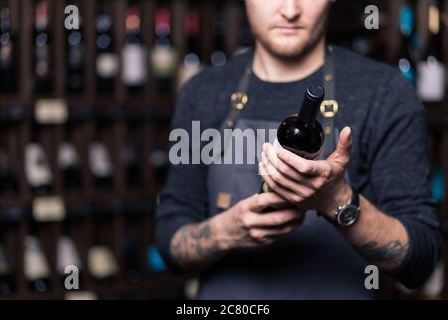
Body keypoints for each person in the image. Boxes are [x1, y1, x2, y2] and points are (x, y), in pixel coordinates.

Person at [154, 0, 441, 299]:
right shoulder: (201, 93)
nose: (290, 10)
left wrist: (338, 201)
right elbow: (169, 241)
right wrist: (227, 231)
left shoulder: (386, 93)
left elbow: (420, 260)